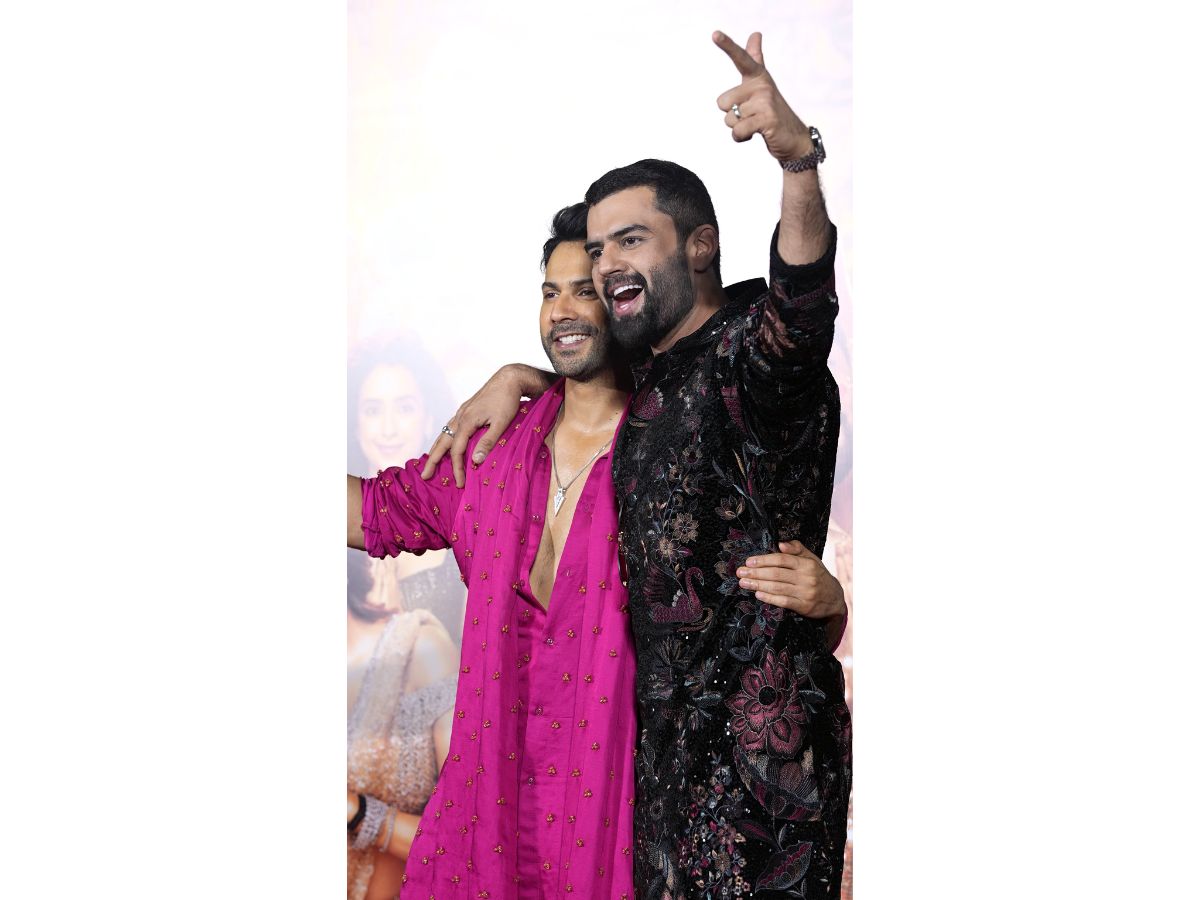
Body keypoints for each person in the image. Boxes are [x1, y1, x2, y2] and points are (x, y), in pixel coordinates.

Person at [423, 31, 851, 898]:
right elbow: (586, 369)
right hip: (660, 794)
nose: (607, 263)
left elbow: (802, 312)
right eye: (597, 250)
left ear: (698, 246)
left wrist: (797, 163)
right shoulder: (648, 379)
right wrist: (521, 376)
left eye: (628, 241)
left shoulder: (748, 352)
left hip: (763, 793)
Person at [347, 202, 847, 899]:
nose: (562, 311)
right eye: (550, 292)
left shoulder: (680, 455)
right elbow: (369, 512)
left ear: (624, 299)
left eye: (584, 291)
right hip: (479, 844)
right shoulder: (490, 453)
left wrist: (827, 605)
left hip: (618, 841)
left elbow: (746, 627)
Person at [346, 336, 465, 900]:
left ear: (428, 417)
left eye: (405, 406)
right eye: (373, 409)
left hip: (437, 783)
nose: (389, 427)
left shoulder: (460, 533)